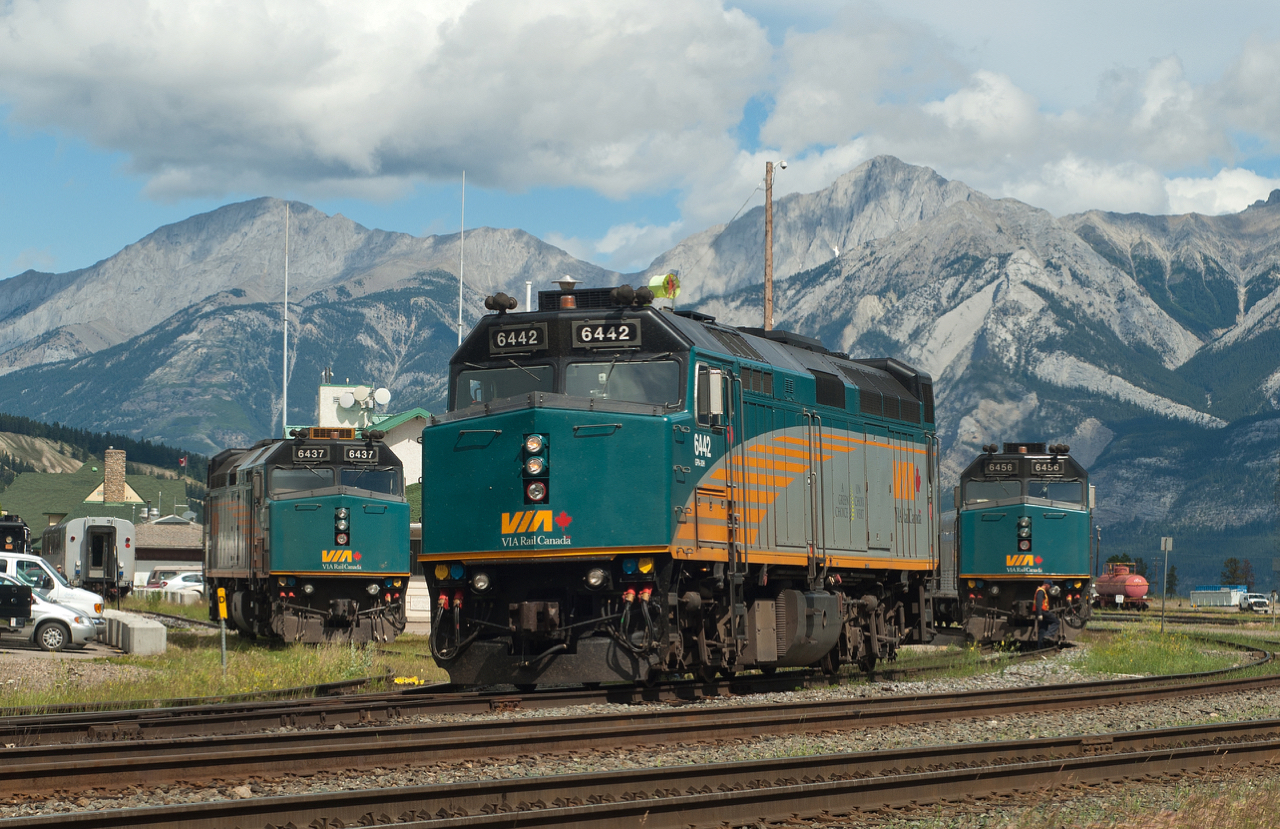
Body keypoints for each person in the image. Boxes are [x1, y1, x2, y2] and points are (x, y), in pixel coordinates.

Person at [1035, 580, 1060, 646]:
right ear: (1047, 585)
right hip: (1043, 612)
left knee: (1042, 628)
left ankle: (1040, 646)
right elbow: (1039, 603)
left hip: (1042, 612)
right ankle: (1048, 635)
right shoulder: (1041, 591)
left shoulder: (1041, 591)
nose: (1050, 588)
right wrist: (1039, 614)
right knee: (1056, 622)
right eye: (1050, 586)